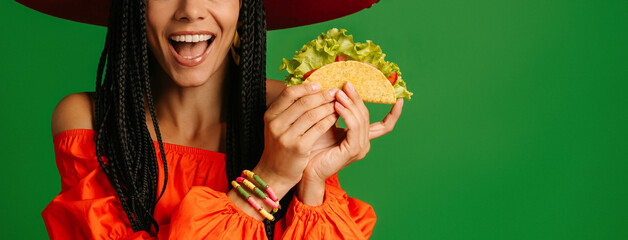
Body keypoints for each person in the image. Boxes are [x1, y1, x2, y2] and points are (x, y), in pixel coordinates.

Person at [19, 0, 403, 238]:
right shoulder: (90, 121)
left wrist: (312, 180)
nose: (191, 9)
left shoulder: (288, 111)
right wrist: (272, 177)